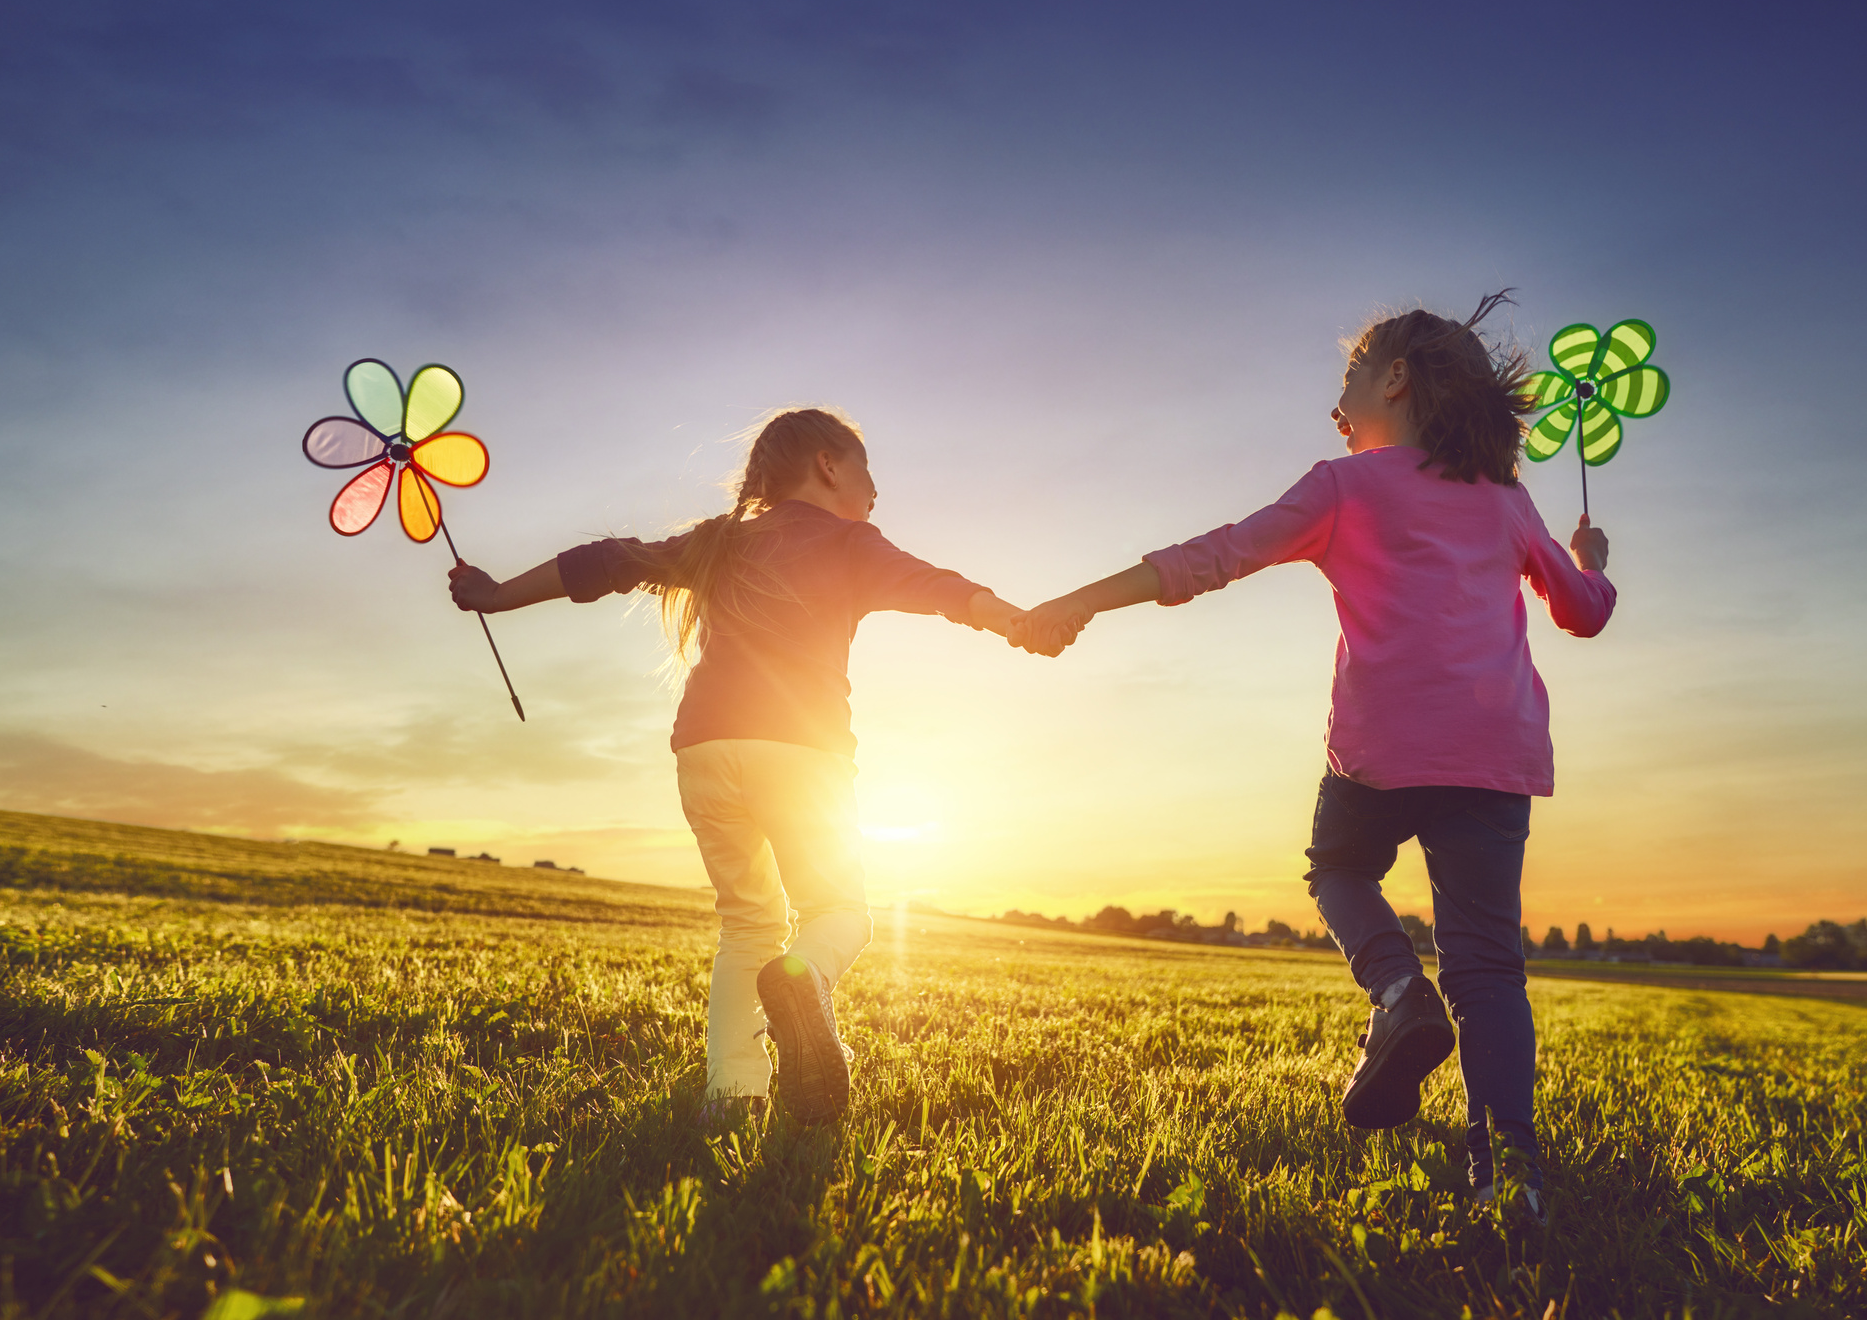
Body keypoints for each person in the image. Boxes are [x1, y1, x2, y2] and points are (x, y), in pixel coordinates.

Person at [1019, 294, 1613, 1214]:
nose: (1336, 398)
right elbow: (1582, 611)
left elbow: (1215, 555)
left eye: (1351, 373)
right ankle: (1510, 1178)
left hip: (1380, 753)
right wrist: (1591, 560)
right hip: (1494, 758)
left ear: (1396, 378)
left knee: (1336, 865)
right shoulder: (1507, 502)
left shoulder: (1346, 486)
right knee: (1490, 966)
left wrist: (1086, 598)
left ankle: (1396, 989)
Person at [447, 407, 1035, 1125]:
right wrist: (1012, 619)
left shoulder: (717, 543)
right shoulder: (853, 541)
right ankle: (807, 977)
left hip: (703, 747)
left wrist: (497, 594)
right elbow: (936, 586)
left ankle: (731, 1095)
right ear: (828, 464)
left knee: (747, 924)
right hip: (801, 749)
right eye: (865, 466)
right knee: (840, 912)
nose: (875, 486)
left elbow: (609, 560)